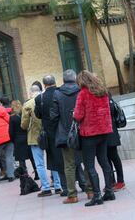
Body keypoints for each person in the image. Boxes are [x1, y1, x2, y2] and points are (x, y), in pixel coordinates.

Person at [73, 70, 115, 206]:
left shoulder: (83, 94)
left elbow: (78, 115)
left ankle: (97, 195)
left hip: (89, 134)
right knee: (104, 161)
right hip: (104, 131)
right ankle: (109, 191)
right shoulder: (103, 91)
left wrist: (74, 114)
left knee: (90, 165)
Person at [50, 69, 92, 204]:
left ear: (63, 80)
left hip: (65, 134)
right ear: (75, 79)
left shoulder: (57, 93)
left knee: (69, 165)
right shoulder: (82, 91)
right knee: (87, 162)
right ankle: (90, 190)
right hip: (83, 131)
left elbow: (53, 116)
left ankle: (72, 194)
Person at [34, 75, 65, 196]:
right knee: (69, 158)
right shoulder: (61, 93)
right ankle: (79, 183)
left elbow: (38, 115)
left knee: (55, 160)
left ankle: (62, 186)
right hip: (63, 129)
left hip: (50, 133)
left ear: (44, 84)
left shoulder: (40, 98)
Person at [22, 85, 54, 197]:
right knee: (53, 160)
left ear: (31, 92)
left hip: (35, 137)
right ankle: (58, 185)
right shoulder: (46, 99)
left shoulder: (28, 104)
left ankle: (45, 187)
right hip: (49, 134)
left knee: (39, 164)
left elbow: (24, 124)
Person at [107, 95, 126, 191]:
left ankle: (120, 181)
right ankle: (111, 181)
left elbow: (111, 111)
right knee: (106, 159)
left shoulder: (106, 96)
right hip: (106, 132)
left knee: (114, 157)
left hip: (111, 132)